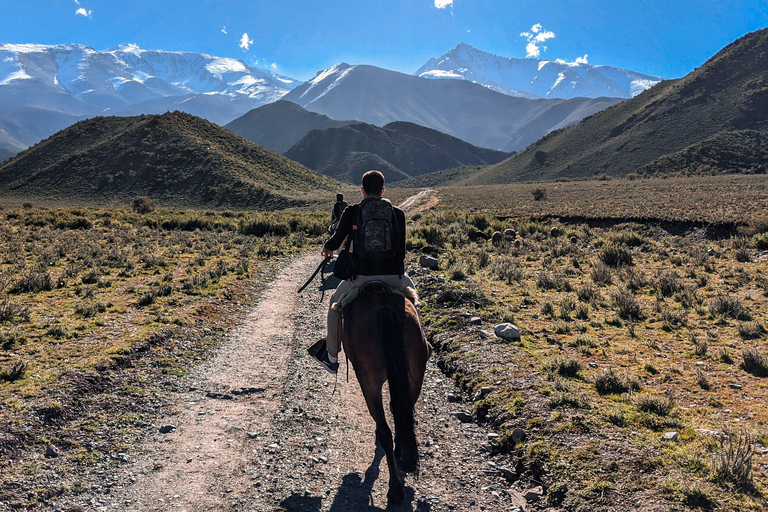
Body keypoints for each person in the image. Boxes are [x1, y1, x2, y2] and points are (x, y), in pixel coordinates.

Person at [312, 171, 416, 373]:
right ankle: (421, 345)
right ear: (383, 190)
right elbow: (401, 253)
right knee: (415, 304)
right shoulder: (399, 214)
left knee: (335, 305)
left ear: (362, 190)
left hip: (360, 278)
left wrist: (327, 248)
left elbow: (335, 240)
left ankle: (332, 357)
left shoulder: (352, 212)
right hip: (394, 277)